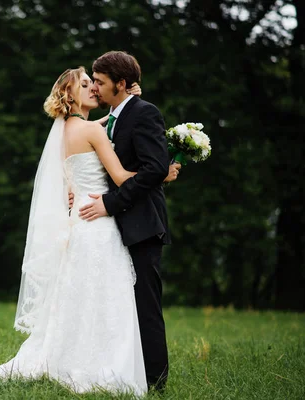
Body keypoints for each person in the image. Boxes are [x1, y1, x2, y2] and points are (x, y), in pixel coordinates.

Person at [0, 66, 148, 395]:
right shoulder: (90, 132)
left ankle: (70, 357)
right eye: (85, 84)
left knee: (80, 299)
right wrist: (163, 172)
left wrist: (123, 104)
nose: (93, 87)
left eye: (94, 83)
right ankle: (101, 366)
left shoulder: (68, 130)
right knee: (105, 297)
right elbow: (121, 177)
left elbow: (101, 127)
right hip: (98, 224)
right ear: (71, 94)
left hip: (78, 225)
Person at [78, 51, 176, 390]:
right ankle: (122, 374)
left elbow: (154, 169)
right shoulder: (113, 116)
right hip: (114, 228)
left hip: (142, 224)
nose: (95, 88)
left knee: (145, 305)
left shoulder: (145, 112)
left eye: (101, 83)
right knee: (120, 305)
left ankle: (155, 383)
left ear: (121, 84)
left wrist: (110, 203)